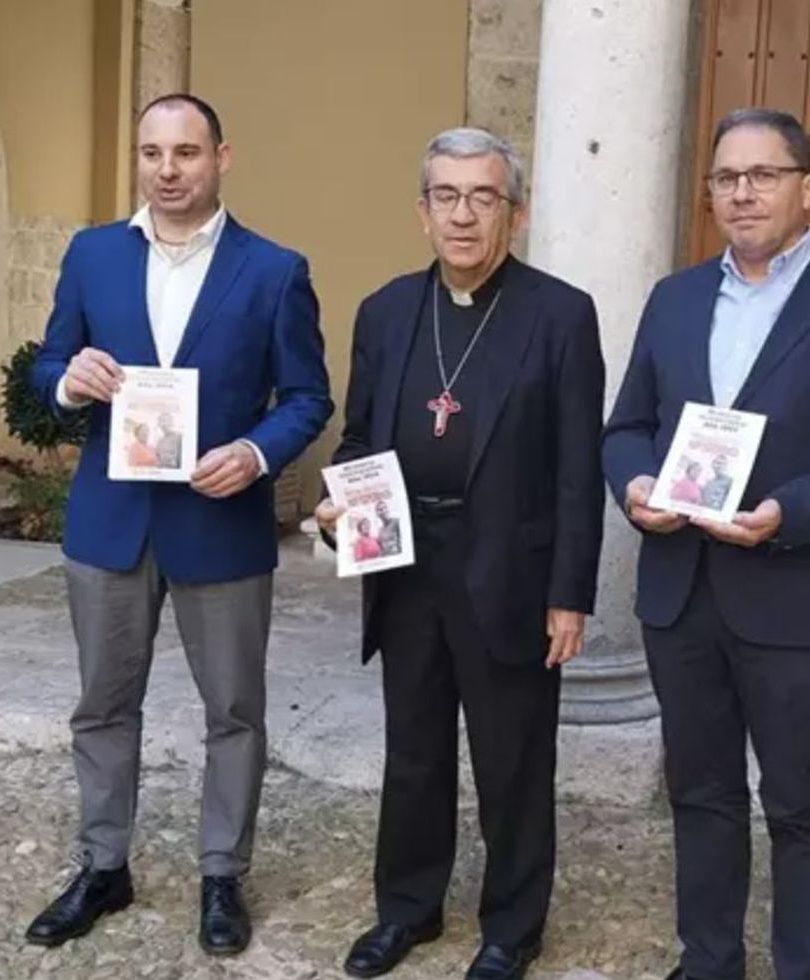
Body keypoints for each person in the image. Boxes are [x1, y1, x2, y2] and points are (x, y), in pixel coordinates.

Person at [602, 108, 810, 980]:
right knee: (699, 793)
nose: (742, 193)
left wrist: (791, 510)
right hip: (682, 591)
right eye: (726, 178)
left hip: (792, 595)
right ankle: (709, 960)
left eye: (763, 175)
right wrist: (634, 485)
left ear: (808, 187)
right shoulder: (674, 300)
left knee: (798, 804)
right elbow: (627, 426)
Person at [25, 93, 333, 956]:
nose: (167, 170)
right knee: (101, 705)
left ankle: (222, 874)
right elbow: (50, 361)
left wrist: (258, 453)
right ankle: (102, 866)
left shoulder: (274, 270)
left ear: (222, 158)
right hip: (111, 521)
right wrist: (67, 377)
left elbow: (308, 395)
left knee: (234, 709)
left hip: (219, 521)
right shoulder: (91, 256)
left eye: (186, 153)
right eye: (152, 153)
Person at [315, 127, 605, 980]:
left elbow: (578, 469)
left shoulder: (559, 313)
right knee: (413, 753)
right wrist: (343, 505)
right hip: (407, 566)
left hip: (509, 570)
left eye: (484, 198)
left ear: (514, 213)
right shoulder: (385, 310)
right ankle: (408, 908)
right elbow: (361, 435)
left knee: (513, 759)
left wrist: (570, 593)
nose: (464, 215)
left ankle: (512, 928)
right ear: (423, 210)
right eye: (447, 196)